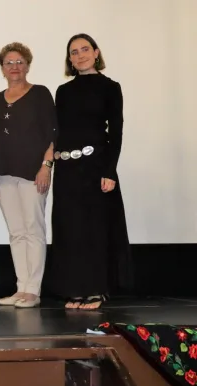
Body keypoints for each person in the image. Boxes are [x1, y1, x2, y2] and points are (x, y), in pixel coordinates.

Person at [50, 33, 133, 310]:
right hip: (66, 169)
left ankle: (96, 290)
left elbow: (116, 133)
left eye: (85, 49)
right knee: (69, 229)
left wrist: (110, 171)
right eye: (74, 52)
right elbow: (57, 131)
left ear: (96, 52)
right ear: (69, 59)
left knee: (95, 230)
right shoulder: (63, 91)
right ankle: (74, 290)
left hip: (96, 167)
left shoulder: (110, 87)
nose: (80, 55)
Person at [0, 42, 57, 308]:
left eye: (19, 62)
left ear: (27, 65)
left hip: (32, 172)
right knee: (16, 232)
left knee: (33, 230)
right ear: (2, 68)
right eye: (9, 63)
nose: (14, 67)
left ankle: (33, 291)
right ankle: (21, 287)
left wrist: (46, 167)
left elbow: (52, 134)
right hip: (3, 174)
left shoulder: (40, 94)